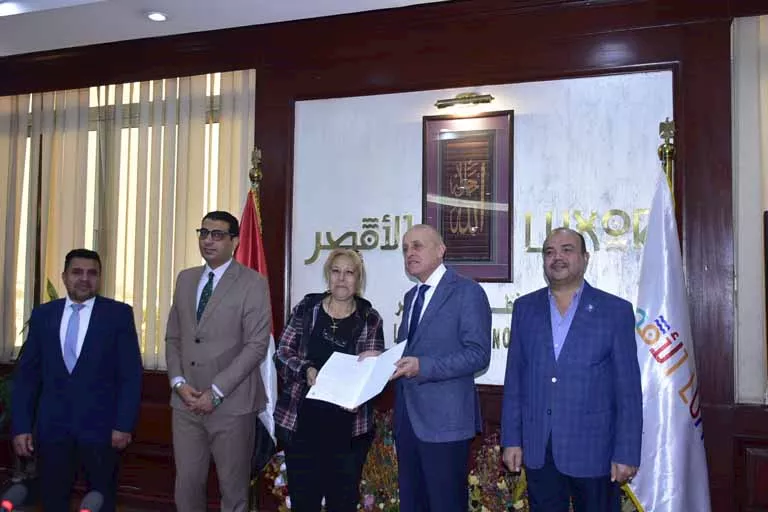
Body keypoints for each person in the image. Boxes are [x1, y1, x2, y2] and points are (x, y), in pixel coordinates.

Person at [501, 227, 642, 512]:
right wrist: (511, 440)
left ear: (585, 258)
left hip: (595, 452)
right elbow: (515, 379)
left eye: (567, 250)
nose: (557, 257)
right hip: (540, 449)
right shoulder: (525, 308)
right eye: (549, 252)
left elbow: (628, 390)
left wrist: (626, 452)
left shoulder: (615, 311)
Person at [11, 248, 143, 512]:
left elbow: (130, 375)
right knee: (52, 500)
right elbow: (27, 377)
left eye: (92, 273)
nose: (84, 279)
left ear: (100, 278)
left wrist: (123, 425)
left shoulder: (118, 315)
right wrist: (22, 426)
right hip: (53, 431)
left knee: (100, 501)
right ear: (64, 276)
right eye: (77, 272)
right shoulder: (44, 315)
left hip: (102, 432)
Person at [165, 210, 272, 512]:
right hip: (186, 403)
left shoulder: (253, 283)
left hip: (232, 404)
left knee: (233, 491)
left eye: (217, 235)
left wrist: (216, 391)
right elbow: (173, 337)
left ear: (235, 242)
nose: (208, 240)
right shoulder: (186, 279)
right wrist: (178, 382)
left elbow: (256, 346)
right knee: (187, 486)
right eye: (203, 233)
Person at [273, 248, 385, 512]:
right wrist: (306, 370)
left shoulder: (370, 318)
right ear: (328, 275)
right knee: (304, 503)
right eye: (336, 271)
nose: (342, 278)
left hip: (348, 430)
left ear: (358, 279)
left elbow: (373, 374)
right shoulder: (306, 309)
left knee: (342, 504)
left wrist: (360, 391)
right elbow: (282, 353)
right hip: (302, 425)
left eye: (349, 272)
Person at [392, 224, 492, 512]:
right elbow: (408, 352)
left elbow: (478, 354)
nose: (410, 253)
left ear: (440, 250)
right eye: (405, 248)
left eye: (417, 246)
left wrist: (423, 367)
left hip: (446, 425)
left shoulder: (467, 292)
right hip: (408, 422)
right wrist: (380, 358)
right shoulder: (412, 297)